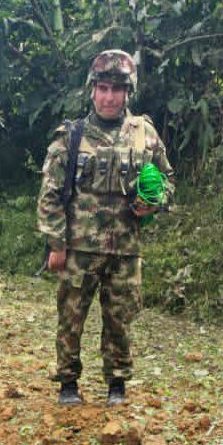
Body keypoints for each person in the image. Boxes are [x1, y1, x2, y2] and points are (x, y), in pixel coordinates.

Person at [37, 49, 175, 407]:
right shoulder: (71, 134)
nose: (110, 97)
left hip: (126, 247)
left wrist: (155, 200)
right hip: (79, 247)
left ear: (129, 92)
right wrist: (56, 243)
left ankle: (117, 384)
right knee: (71, 317)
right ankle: (68, 383)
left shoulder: (144, 133)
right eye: (103, 88)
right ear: (92, 90)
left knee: (121, 319)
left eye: (117, 89)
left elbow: (166, 180)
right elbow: (50, 194)